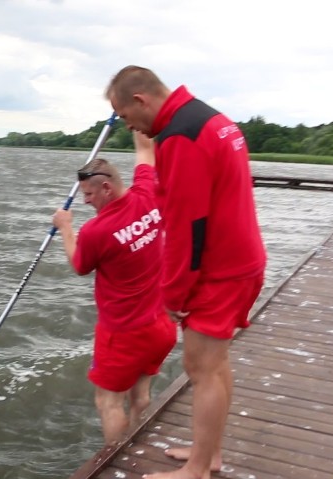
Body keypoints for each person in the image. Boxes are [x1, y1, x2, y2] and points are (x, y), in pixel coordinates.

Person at [105, 66, 267, 479]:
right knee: (217, 363)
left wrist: (173, 295)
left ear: (140, 100)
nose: (130, 126)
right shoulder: (212, 119)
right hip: (244, 260)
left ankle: (196, 470)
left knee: (202, 370)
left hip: (221, 272)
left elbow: (186, 225)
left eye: (126, 117)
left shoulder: (181, 137)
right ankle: (208, 453)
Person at [52, 140, 177, 446]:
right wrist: (136, 130)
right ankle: (135, 440)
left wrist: (65, 228)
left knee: (107, 403)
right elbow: (146, 153)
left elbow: (80, 266)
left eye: (89, 195)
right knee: (140, 394)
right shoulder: (147, 193)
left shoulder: (97, 231)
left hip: (123, 333)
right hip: (162, 325)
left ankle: (118, 464)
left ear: (106, 188)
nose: (85, 202)